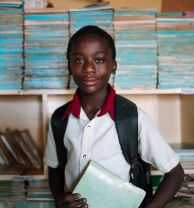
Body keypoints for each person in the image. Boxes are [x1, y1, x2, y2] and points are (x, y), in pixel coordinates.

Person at [44, 25, 185, 208]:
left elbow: (176, 173)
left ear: (114, 66)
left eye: (99, 60)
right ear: (69, 66)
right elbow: (55, 168)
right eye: (79, 60)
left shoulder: (133, 118)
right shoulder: (59, 119)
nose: (88, 68)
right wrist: (58, 197)